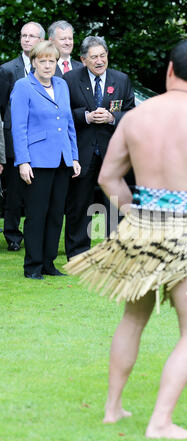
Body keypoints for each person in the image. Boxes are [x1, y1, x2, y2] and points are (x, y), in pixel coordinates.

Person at [65, 38, 187, 439]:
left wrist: (133, 212)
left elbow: (107, 178)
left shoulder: (136, 117)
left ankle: (113, 409)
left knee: (133, 319)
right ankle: (160, 422)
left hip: (143, 228)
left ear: (169, 70)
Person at [11, 41, 81, 280]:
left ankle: (49, 264)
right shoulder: (23, 86)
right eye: (43, 61)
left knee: (55, 214)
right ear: (33, 63)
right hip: (36, 162)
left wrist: (74, 156)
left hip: (62, 161)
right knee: (36, 215)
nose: (48, 65)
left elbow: (69, 123)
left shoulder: (61, 85)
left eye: (52, 61)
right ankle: (33, 266)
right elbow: (18, 128)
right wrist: (23, 161)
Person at [63, 35, 135, 260]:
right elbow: (62, 114)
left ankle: (115, 251)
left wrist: (112, 117)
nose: (99, 61)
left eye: (102, 56)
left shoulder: (121, 79)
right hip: (82, 152)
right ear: (83, 59)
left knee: (114, 202)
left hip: (113, 153)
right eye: (93, 57)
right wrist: (86, 116)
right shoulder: (70, 79)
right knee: (79, 204)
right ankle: (78, 252)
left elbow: (132, 115)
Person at [0, 21, 45, 251]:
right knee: (14, 193)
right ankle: (12, 236)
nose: (26, 39)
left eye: (32, 36)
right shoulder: (8, 69)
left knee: (36, 191)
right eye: (23, 35)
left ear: (41, 40)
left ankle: (34, 234)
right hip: (13, 140)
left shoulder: (49, 68)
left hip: (39, 139)